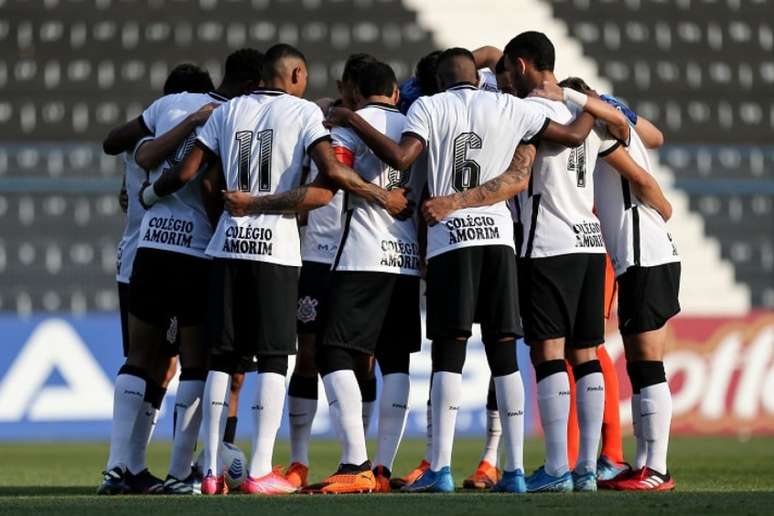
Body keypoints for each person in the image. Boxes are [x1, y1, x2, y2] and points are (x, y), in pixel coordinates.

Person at [325, 47, 598, 494]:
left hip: (451, 240)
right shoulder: (512, 106)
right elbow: (569, 135)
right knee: (504, 355)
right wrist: (589, 99)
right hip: (499, 241)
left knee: (449, 353)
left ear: (440, 79)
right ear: (478, 76)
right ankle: (513, 471)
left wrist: (352, 118)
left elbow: (400, 157)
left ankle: (443, 468)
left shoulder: (431, 106)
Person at [160, 43, 410, 495]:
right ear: (294, 74)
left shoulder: (227, 112)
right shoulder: (303, 116)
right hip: (275, 252)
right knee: (277, 357)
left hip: (226, 249)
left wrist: (156, 196)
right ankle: (259, 470)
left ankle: (211, 471)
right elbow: (329, 179)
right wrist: (380, 196)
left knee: (222, 357)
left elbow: (200, 175)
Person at [501, 31, 673, 492]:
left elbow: (519, 175)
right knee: (588, 356)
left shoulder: (529, 111)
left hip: (549, 246)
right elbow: (636, 135)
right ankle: (587, 469)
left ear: (520, 66)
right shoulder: (591, 121)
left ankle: (558, 469)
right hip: (591, 246)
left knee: (549, 354)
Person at [96, 48, 264, 496]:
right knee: (194, 363)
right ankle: (179, 473)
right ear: (252, 85)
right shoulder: (236, 114)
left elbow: (126, 146)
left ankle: (119, 468)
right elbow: (209, 182)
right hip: (195, 251)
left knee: (141, 359)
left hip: (148, 249)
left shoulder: (167, 107)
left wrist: (145, 195)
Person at [298, 61, 422, 494]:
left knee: (331, 353)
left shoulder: (349, 126)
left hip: (363, 254)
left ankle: (355, 462)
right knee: (396, 361)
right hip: (407, 258)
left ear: (353, 90)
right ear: (393, 90)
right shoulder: (416, 124)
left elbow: (335, 177)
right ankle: (383, 468)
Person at [558, 78, 679, 491]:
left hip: (644, 252)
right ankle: (644, 464)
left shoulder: (606, 129)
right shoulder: (613, 124)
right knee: (639, 365)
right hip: (638, 256)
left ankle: (657, 469)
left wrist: (663, 209)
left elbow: (644, 182)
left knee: (647, 366)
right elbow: (657, 136)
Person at [101, 63, 214, 495]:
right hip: (178, 252)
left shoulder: (142, 140)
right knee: (168, 363)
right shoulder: (196, 130)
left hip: (135, 258)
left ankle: (126, 466)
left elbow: (114, 146)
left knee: (147, 361)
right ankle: (138, 464)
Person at [284, 53, 377, 489]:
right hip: (318, 256)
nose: (347, 94)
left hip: (362, 256)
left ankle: (359, 457)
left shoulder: (381, 130)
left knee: (362, 358)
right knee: (308, 355)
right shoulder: (317, 124)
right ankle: (299, 459)